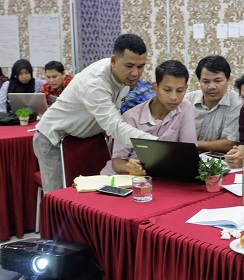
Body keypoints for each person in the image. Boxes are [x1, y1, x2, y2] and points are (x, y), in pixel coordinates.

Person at [34, 33, 158, 193]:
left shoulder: (125, 79)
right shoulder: (95, 83)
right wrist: (157, 144)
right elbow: (115, 126)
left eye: (141, 66)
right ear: (114, 60)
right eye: (129, 66)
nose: (135, 73)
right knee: (59, 200)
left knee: (93, 196)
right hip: (53, 140)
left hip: (86, 139)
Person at [101, 60, 197, 176]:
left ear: (186, 88)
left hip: (164, 176)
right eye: (167, 90)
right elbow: (116, 163)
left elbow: (188, 153)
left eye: (180, 90)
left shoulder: (185, 107)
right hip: (131, 178)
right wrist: (130, 167)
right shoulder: (131, 117)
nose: (174, 97)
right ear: (155, 87)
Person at [184, 55, 242, 153]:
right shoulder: (188, 100)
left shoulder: (237, 103)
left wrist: (192, 144)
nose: (211, 87)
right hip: (186, 157)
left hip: (221, 162)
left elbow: (231, 143)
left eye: (217, 81)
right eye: (205, 82)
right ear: (199, 81)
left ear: (228, 80)